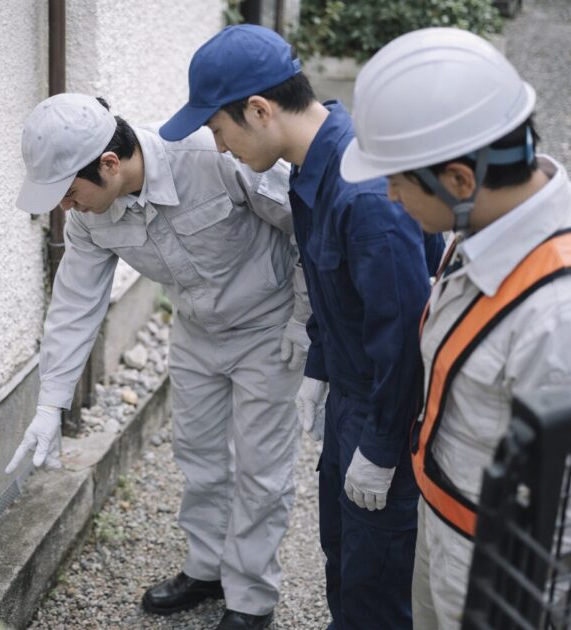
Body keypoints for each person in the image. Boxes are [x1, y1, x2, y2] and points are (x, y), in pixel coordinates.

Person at [161, 25, 444, 630]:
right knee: (342, 559)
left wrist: (381, 445)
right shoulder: (310, 170)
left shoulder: (363, 192)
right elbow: (335, 298)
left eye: (218, 130)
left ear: (259, 110)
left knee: (377, 587)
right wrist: (318, 367)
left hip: (385, 410)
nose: (220, 148)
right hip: (348, 394)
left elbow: (403, 335)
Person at [7, 92, 309, 630]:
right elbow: (76, 304)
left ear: (109, 163)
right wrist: (50, 403)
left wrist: (305, 319)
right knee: (199, 455)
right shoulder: (90, 219)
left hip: (268, 327)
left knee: (261, 470)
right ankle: (207, 568)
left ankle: (252, 598)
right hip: (196, 330)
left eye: (70, 192)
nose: (65, 207)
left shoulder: (210, 155)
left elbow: (305, 223)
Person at [340, 27, 571, 629]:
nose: (388, 195)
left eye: (398, 180)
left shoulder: (557, 315)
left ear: (461, 181)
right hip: (445, 528)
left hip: (504, 573)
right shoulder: (485, 232)